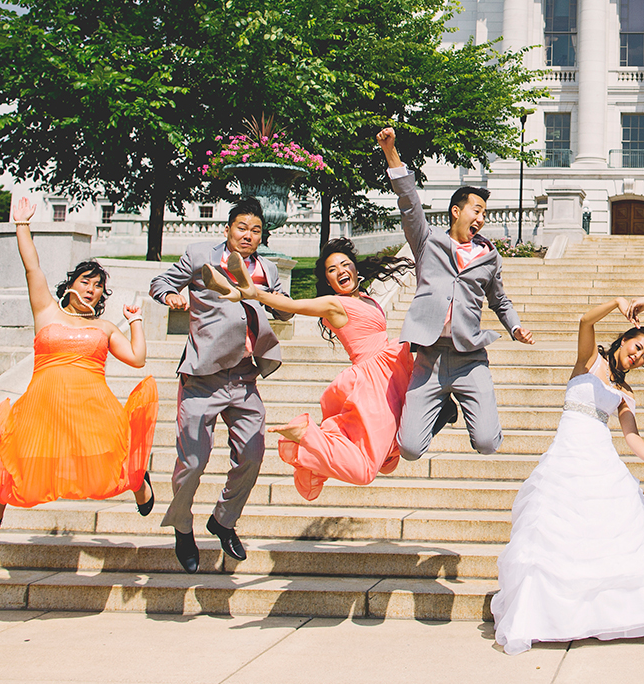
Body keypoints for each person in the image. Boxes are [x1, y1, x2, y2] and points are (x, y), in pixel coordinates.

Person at [491, 295, 644, 655]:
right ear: (624, 339)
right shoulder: (589, 360)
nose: (637, 357)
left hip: (600, 460)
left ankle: (606, 614)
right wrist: (615, 302)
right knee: (551, 534)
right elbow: (584, 321)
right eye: (637, 347)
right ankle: (549, 616)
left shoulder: (625, 393)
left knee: (607, 535)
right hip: (565, 458)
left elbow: (631, 434)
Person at [0, 196, 158, 533]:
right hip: (43, 403)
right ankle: (0, 495)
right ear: (71, 285)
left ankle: (138, 482)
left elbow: (137, 360)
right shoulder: (46, 311)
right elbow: (32, 266)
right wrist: (23, 223)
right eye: (86, 282)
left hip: (93, 405)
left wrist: (135, 321)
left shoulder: (105, 327)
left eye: (98, 286)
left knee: (111, 464)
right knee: (22, 455)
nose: (92, 289)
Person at [200, 239, 414, 501]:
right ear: (328, 281)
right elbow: (293, 306)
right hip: (373, 384)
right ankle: (307, 435)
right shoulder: (334, 305)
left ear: (356, 269)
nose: (340, 271)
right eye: (332, 270)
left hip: (389, 373)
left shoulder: (369, 300)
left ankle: (314, 439)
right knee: (365, 471)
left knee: (388, 455)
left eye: (345, 264)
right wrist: (256, 294)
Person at [375, 127, 533, 461]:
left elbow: (500, 301)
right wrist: (391, 152)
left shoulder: (490, 257)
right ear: (456, 211)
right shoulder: (427, 241)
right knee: (410, 449)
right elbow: (409, 202)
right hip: (428, 359)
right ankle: (444, 409)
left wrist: (515, 327)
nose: (481, 218)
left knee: (488, 443)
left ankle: (468, 410)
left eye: (485, 214)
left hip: (469, 358)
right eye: (476, 210)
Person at [147, 198, 285, 572]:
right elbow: (160, 281)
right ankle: (181, 524)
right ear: (227, 229)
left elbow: (283, 306)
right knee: (192, 462)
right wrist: (172, 295)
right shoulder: (198, 255)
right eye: (242, 227)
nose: (248, 235)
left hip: (244, 377)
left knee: (253, 454)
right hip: (202, 376)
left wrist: (277, 302)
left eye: (256, 231)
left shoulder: (268, 269)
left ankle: (223, 521)